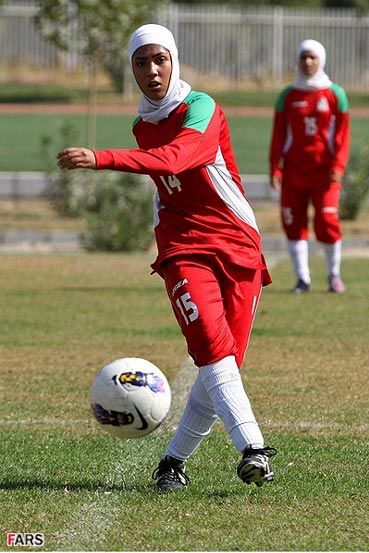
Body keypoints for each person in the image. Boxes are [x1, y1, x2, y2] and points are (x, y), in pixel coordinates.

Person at [57, 23, 277, 491]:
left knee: (223, 365)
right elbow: (166, 182)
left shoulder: (202, 107)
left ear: (174, 61)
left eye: (160, 59)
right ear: (131, 69)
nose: (152, 70)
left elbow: (177, 159)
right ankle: (253, 448)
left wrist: (102, 158)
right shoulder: (143, 124)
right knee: (212, 349)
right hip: (183, 248)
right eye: (141, 62)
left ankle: (172, 462)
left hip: (238, 245)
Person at [269, 39, 350, 294]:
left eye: (312, 57)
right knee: (293, 223)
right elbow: (279, 136)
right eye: (303, 57)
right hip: (294, 173)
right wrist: (275, 168)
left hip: (325, 173)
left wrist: (338, 165)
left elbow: (342, 136)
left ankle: (334, 275)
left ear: (321, 59)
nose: (307, 62)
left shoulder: (335, 94)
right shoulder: (288, 95)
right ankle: (302, 279)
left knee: (327, 221)